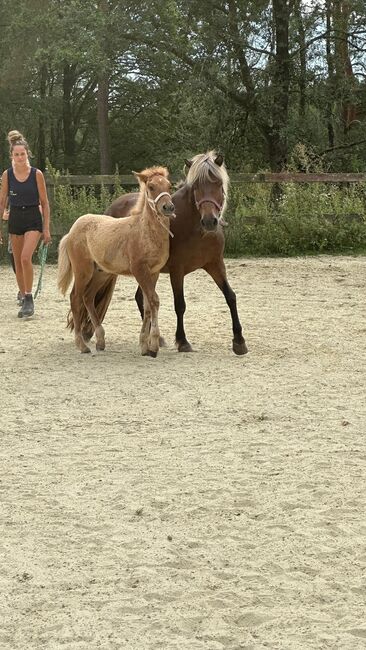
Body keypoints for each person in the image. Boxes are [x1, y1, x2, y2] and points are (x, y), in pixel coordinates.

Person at [0, 130, 51, 317]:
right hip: (15, 219)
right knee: (17, 262)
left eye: (22, 154)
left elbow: (45, 203)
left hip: (32, 218)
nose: (20, 157)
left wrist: (46, 229)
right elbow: (2, 201)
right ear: (12, 155)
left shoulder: (36, 174)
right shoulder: (7, 175)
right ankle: (23, 296)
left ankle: (29, 297)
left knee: (24, 258)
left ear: (27, 154)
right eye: (16, 154)